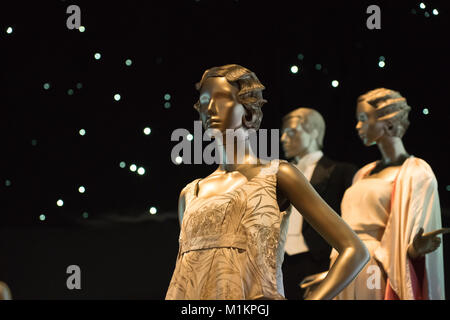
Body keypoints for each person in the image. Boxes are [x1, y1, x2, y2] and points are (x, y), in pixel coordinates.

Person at [165, 64, 369, 300]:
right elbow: (183, 274)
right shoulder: (191, 194)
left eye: (222, 99)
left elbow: (354, 250)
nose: (210, 109)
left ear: (248, 110)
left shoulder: (277, 175)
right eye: (204, 101)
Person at [309, 88, 448, 300]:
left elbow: (411, 232)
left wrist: (414, 250)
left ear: (388, 122)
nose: (358, 126)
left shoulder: (417, 171)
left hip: (377, 266)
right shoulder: (362, 173)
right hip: (344, 261)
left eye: (364, 119)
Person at [280, 107, 358, 300]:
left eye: (291, 132)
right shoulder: (277, 174)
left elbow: (352, 220)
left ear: (313, 132)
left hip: (318, 261)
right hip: (279, 263)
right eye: (283, 132)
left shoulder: (341, 172)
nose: (283, 138)